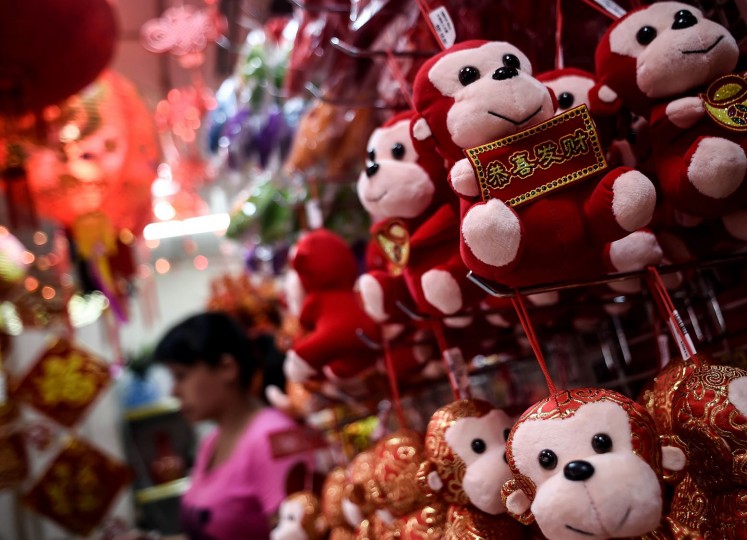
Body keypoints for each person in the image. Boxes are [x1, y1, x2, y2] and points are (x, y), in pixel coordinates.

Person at [123, 311, 314, 540]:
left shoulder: (272, 438)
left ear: (227, 368)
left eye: (181, 376)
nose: (173, 391)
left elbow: (298, 530)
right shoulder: (211, 441)